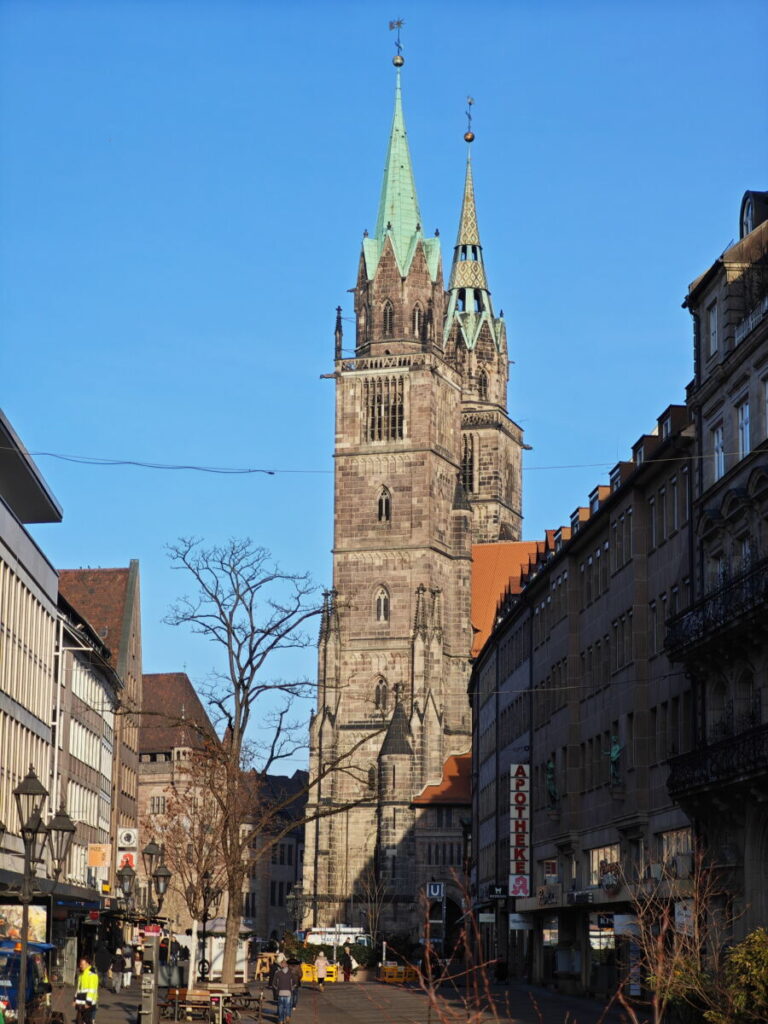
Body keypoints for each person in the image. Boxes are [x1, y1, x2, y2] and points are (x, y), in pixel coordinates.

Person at [74, 956, 99, 1024]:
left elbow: (92, 990)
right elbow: (79, 989)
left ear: (87, 964)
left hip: (88, 1003)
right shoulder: (82, 974)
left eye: (82, 964)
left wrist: (88, 1003)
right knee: (80, 1021)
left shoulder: (92, 975)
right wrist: (75, 999)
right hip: (81, 1002)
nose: (80, 966)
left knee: (86, 1021)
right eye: (80, 964)